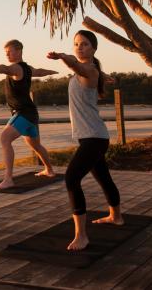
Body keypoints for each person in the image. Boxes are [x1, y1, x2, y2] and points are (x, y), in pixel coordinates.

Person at [47, 30, 123, 251]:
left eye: (85, 44)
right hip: (92, 137)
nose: (80, 47)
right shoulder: (93, 70)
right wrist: (103, 75)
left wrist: (63, 56)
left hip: (94, 138)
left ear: (94, 48)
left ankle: (81, 236)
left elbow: (79, 68)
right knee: (103, 177)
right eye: (76, 44)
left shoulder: (87, 70)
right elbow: (85, 70)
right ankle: (116, 217)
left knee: (71, 179)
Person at [0, 39, 58, 189]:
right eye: (6, 52)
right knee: (36, 145)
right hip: (31, 114)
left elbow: (6, 69)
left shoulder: (16, 68)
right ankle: (49, 170)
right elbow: (39, 72)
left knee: (4, 138)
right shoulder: (27, 68)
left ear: (19, 51)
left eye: (9, 51)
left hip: (23, 113)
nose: (7, 54)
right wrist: (51, 72)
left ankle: (8, 179)